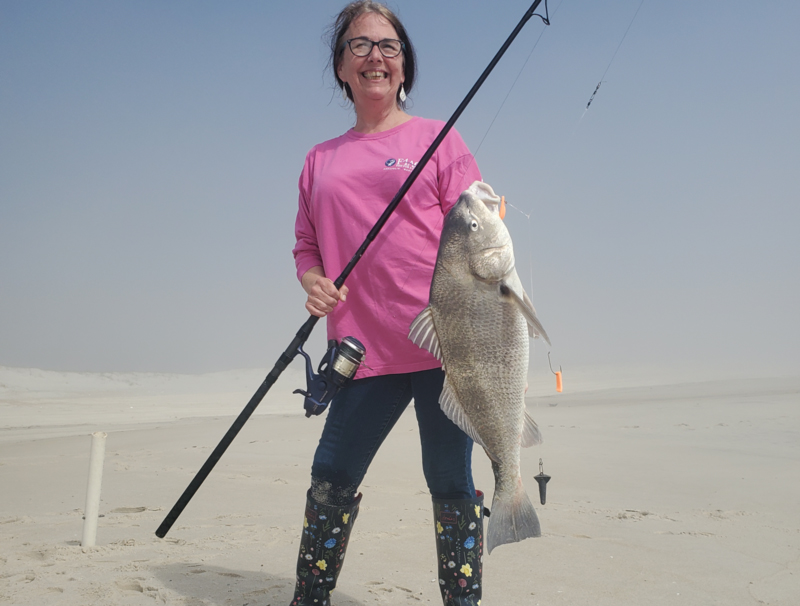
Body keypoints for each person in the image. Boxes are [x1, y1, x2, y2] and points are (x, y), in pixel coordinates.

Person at [290, 3, 483, 605]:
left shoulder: (438, 139)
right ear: (342, 68)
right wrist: (313, 280)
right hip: (361, 350)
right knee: (332, 478)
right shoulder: (320, 159)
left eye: (389, 46)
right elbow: (306, 245)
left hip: (445, 347)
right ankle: (310, 597)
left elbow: (480, 232)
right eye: (360, 45)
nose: (375, 55)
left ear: (404, 68)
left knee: (452, 482)